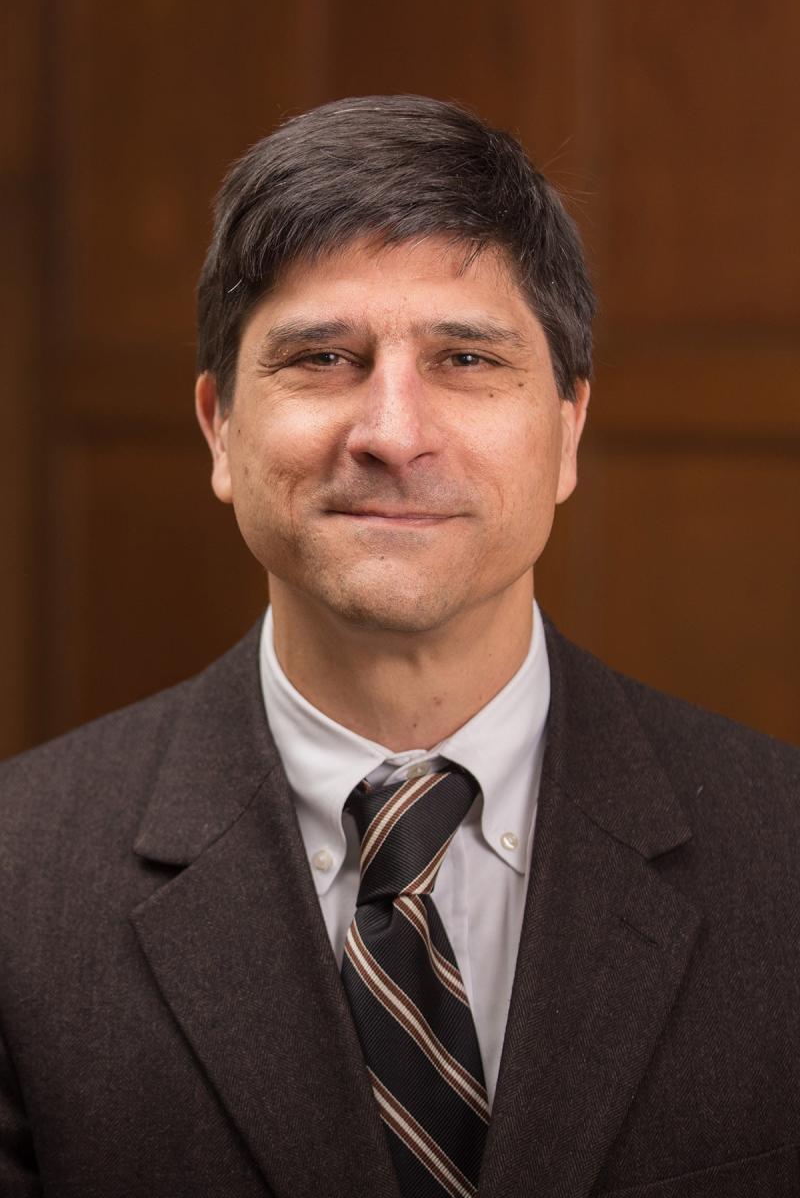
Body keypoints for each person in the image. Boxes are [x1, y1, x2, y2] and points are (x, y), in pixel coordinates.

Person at [0, 95, 797, 1198]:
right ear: (219, 427)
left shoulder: (783, 855)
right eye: (321, 357)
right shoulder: (16, 879)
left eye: (466, 359)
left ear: (565, 432)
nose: (392, 432)